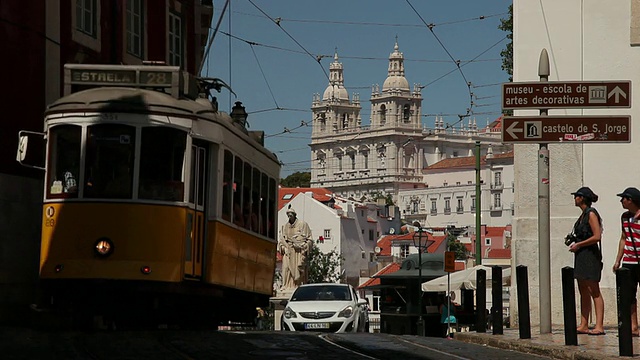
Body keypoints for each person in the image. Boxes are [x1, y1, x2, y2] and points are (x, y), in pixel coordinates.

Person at [568, 187, 605, 336]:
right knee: (582, 289)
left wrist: (580, 244)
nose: (574, 198)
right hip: (581, 255)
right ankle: (584, 324)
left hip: (590, 255)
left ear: (582, 198)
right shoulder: (582, 215)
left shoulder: (591, 213)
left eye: (576, 196)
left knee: (594, 290)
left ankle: (599, 325)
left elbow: (597, 236)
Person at [613, 187, 640, 337]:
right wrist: (618, 260)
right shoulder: (624, 217)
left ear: (631, 200)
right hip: (629, 260)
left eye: (623, 198)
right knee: (629, 295)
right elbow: (623, 238)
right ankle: (633, 326)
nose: (621, 201)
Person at [278, 207, 312, 290]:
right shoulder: (285, 227)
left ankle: (297, 286)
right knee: (286, 269)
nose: (289, 217)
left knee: (298, 269)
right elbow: (281, 241)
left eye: (291, 215)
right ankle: (286, 286)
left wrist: (304, 246)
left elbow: (310, 239)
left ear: (294, 215)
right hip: (288, 251)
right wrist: (283, 248)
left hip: (298, 252)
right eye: (288, 216)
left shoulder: (303, 225)